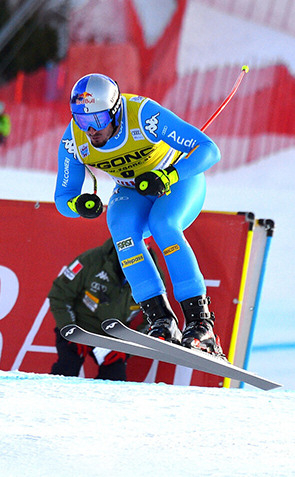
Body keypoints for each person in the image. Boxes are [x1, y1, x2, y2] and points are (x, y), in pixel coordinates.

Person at [53, 73, 224, 356]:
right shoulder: (74, 138)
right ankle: (160, 319)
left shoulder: (143, 116)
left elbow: (209, 150)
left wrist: (168, 175)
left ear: (115, 111)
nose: (91, 131)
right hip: (133, 190)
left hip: (178, 181)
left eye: (97, 121)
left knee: (163, 224)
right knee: (120, 226)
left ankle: (200, 323)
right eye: (82, 121)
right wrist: (79, 205)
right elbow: (63, 197)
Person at [49, 238, 147, 381]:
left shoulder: (152, 275)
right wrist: (70, 329)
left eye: (144, 248)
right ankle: (54, 399)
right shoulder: (91, 259)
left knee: (115, 378)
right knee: (67, 368)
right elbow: (59, 293)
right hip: (79, 326)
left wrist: (127, 349)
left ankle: (101, 402)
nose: (135, 255)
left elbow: (155, 318)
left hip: (113, 337)